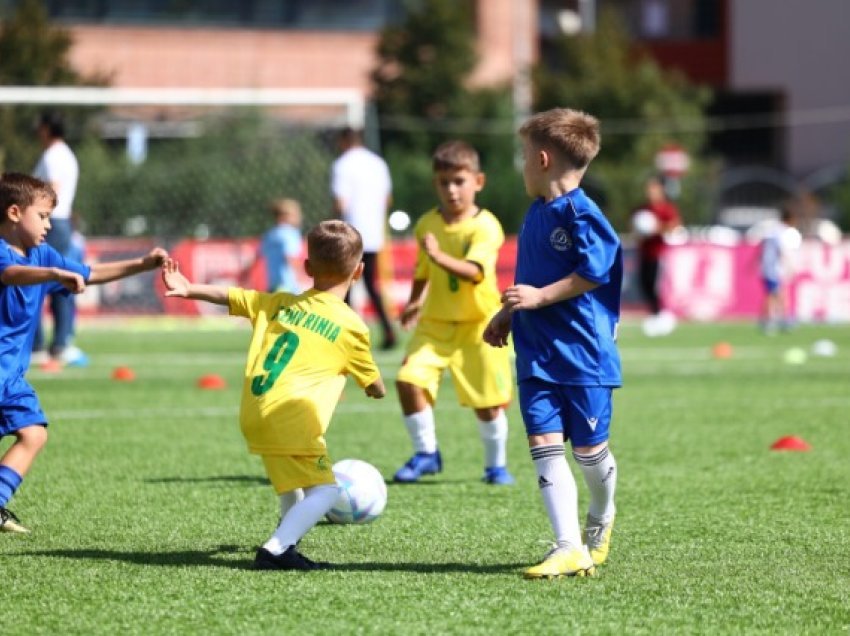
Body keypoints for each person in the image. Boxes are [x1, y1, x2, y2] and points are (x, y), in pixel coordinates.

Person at [161, 219, 386, 571]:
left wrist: (188, 289)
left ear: (308, 267)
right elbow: (374, 385)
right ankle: (277, 549)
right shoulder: (352, 326)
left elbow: (232, 296)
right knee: (326, 492)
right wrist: (376, 387)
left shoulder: (278, 303)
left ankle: (286, 540)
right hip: (293, 417)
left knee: (290, 485)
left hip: (255, 413)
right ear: (359, 271)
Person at [484, 108, 621, 579]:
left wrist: (540, 297)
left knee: (588, 452)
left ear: (542, 159)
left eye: (524, 155)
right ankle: (568, 546)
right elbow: (531, 280)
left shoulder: (583, 214)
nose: (521, 165)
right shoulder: (535, 212)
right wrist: (509, 312)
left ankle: (602, 515)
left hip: (584, 356)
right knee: (543, 443)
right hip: (536, 354)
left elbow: (593, 272)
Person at [0, 172, 168, 533]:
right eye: (42, 216)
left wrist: (143, 264)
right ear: (14, 213)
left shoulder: (43, 253)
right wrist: (52, 273)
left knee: (34, 433)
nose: (49, 224)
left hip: (11, 375)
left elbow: (90, 273)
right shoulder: (8, 254)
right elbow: (11, 274)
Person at [392, 140, 515, 486]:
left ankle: (496, 467)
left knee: (488, 404)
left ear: (478, 181)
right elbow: (422, 269)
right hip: (435, 325)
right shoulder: (426, 225)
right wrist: (415, 300)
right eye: (444, 182)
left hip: (481, 325)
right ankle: (426, 454)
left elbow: (474, 272)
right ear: (435, 184)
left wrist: (437, 257)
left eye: (459, 181)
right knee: (408, 381)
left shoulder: (486, 226)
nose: (451, 190)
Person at [331, 127, 397, 349]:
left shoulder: (342, 165)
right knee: (370, 282)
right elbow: (388, 199)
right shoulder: (378, 163)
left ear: (343, 141)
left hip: (351, 233)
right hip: (374, 233)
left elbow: (341, 202)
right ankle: (388, 330)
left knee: (345, 284)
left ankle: (349, 335)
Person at [31, 111, 87, 366]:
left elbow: (53, 190)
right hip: (60, 223)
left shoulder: (54, 156)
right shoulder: (66, 154)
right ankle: (59, 343)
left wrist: (34, 216)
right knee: (59, 282)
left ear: (45, 129)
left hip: (52, 223)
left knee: (36, 281)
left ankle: (43, 345)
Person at [631, 175, 681, 337]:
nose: (650, 192)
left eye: (653, 188)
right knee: (644, 285)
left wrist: (655, 228)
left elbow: (674, 226)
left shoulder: (666, 208)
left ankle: (662, 316)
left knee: (655, 285)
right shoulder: (642, 209)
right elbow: (634, 229)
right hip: (644, 253)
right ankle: (654, 315)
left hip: (658, 254)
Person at [240, 198, 303, 293]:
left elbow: (257, 257)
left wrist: (246, 274)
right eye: (295, 214)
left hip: (273, 287)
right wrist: (306, 273)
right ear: (284, 216)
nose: (299, 217)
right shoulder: (290, 233)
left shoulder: (270, 235)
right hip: (289, 288)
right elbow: (290, 258)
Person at [759, 205, 801, 334]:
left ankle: (776, 320)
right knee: (775, 295)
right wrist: (791, 266)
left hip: (768, 268)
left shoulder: (772, 230)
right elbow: (783, 251)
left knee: (774, 294)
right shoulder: (782, 232)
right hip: (774, 269)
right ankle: (775, 321)